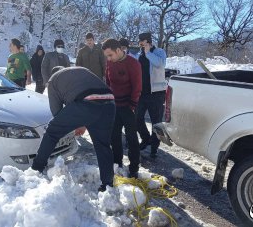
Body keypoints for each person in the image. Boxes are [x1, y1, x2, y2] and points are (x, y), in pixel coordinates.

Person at [31, 66, 116, 192]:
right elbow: (93, 96)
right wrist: (81, 122)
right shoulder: (80, 71)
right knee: (103, 145)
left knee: (52, 132)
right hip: (110, 103)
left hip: (87, 104)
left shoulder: (53, 81)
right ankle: (107, 185)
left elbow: (57, 112)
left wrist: (74, 122)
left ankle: (37, 168)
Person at [102, 38, 142, 178]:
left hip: (129, 106)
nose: (108, 58)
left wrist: (132, 105)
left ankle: (134, 168)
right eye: (107, 56)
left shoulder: (133, 64)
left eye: (110, 55)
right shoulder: (110, 62)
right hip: (114, 105)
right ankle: (117, 163)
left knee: (131, 138)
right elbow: (108, 81)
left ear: (119, 50)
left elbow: (137, 87)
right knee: (114, 136)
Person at [135, 32, 167, 158]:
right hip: (142, 93)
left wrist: (149, 53)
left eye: (143, 42)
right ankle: (145, 138)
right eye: (140, 42)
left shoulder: (159, 52)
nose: (141, 44)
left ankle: (154, 147)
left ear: (148, 41)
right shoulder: (140, 54)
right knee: (137, 118)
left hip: (156, 94)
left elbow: (160, 64)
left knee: (156, 122)